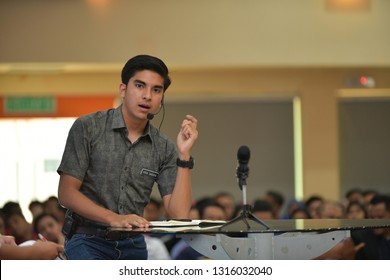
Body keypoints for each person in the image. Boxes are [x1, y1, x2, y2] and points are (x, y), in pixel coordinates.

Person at [57, 54, 199, 260]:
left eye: (156, 90)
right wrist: (113, 218)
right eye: (140, 86)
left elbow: (179, 216)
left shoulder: (164, 147)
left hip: (133, 243)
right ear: (123, 90)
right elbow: (66, 194)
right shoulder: (88, 127)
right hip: (87, 238)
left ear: (161, 99)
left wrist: (184, 155)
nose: (147, 96)